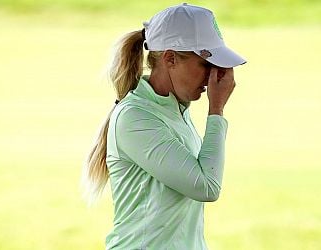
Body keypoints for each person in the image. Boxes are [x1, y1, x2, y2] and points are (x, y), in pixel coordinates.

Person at [82, 3, 246, 249]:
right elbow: (206, 187)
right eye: (205, 64)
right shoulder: (135, 117)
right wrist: (216, 110)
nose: (213, 76)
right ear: (170, 58)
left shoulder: (176, 109)